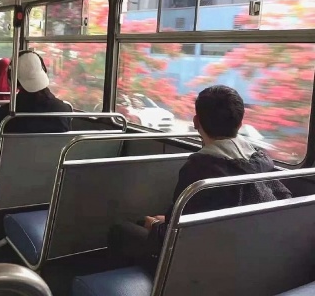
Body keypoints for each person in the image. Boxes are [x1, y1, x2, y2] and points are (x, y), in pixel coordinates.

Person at [108, 85, 292, 271]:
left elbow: (177, 236)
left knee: (121, 230)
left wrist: (156, 225)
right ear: (239, 123)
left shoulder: (199, 170)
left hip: (209, 258)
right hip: (256, 251)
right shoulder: (259, 162)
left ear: (196, 122)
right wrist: (167, 221)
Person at [0, 50, 72, 251]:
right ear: (43, 71)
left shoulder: (6, 114)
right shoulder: (65, 110)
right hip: (49, 183)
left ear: (13, 79)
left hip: (5, 183)